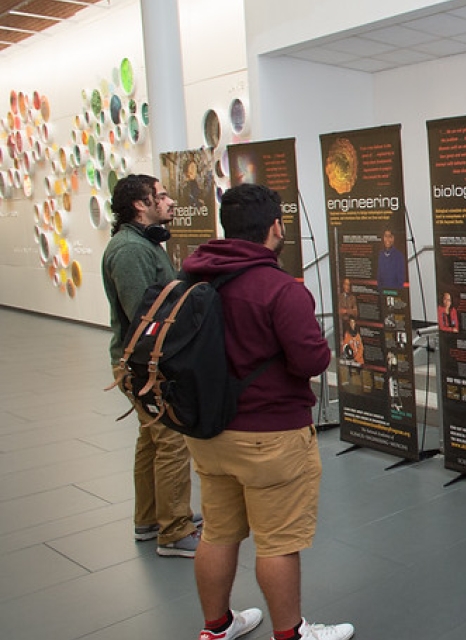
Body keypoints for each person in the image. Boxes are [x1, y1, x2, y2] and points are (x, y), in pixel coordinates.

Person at [179, 184, 352, 640]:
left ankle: (216, 627)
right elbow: (311, 360)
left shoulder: (193, 279)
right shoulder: (279, 289)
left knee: (217, 531)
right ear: (275, 226)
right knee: (278, 541)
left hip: (208, 431)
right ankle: (291, 634)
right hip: (271, 437)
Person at [103, 174, 202, 556]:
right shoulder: (130, 252)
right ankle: (175, 531)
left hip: (145, 365)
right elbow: (146, 320)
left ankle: (149, 519)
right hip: (146, 367)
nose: (170, 201)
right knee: (172, 439)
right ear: (141, 205)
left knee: (151, 440)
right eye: (161, 196)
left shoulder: (142, 243)